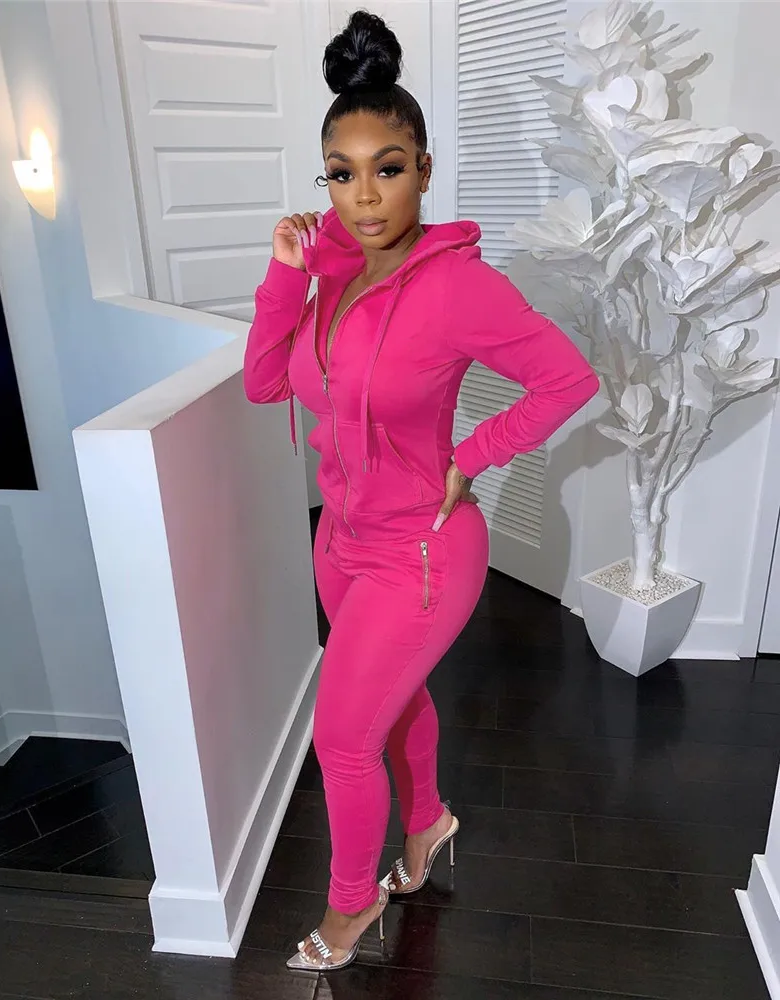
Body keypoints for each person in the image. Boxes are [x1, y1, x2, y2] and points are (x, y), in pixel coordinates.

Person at [244, 10, 599, 973]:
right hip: (340, 542)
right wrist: (284, 277)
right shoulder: (330, 271)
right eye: (342, 173)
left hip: (423, 551)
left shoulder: (456, 288)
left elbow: (568, 380)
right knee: (393, 708)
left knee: (341, 740)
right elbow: (266, 383)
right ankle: (430, 821)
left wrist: (472, 454)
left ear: (425, 170)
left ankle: (352, 908)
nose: (365, 196)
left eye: (388, 168)